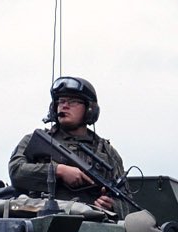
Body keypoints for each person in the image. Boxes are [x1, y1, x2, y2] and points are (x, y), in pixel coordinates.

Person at [8, 76, 126, 212]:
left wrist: (111, 205)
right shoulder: (34, 140)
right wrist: (58, 171)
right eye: (61, 101)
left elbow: (127, 202)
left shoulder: (107, 152)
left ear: (89, 109)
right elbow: (16, 171)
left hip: (92, 224)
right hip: (42, 218)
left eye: (73, 101)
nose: (64, 105)